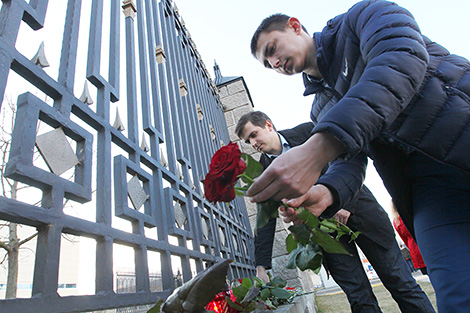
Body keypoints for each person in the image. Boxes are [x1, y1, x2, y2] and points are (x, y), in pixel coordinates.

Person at [247, 1, 470, 311]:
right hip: (429, 194)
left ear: (295, 26)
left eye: (271, 48)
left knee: (402, 283)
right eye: (266, 63)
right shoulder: (320, 110)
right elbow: (348, 162)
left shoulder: (362, 18)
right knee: (458, 297)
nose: (273, 62)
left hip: (462, 135)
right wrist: (326, 193)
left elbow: (400, 61)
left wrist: (319, 146)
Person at [236, 111, 434, 313]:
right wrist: (261, 267)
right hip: (326, 235)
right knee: (359, 297)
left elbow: (349, 160)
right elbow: (265, 220)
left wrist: (343, 203)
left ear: (269, 125)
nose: (252, 143)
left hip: (362, 214)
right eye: (247, 141)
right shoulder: (263, 171)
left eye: (253, 135)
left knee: (400, 283)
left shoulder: (309, 132)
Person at [392, 203, 428, 275]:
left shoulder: (396, 221)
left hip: (414, 248)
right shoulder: (415, 212)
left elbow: (404, 240)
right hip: (425, 242)